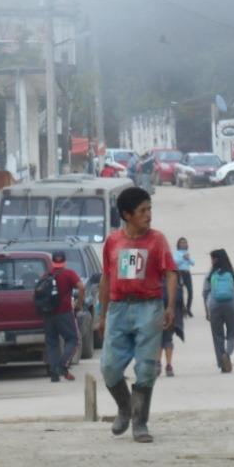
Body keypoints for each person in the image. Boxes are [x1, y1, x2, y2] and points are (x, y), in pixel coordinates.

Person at [97, 187, 177, 443]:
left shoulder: (158, 240)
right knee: (109, 367)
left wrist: (170, 306)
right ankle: (125, 407)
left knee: (146, 368)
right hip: (119, 309)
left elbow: (171, 273)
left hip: (149, 308)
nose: (148, 215)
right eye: (142, 211)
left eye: (150, 209)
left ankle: (140, 423)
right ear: (126, 215)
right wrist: (102, 313)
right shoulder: (113, 241)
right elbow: (106, 278)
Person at [42, 250, 82, 383]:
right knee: (73, 340)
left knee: (52, 343)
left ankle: (54, 373)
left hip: (48, 315)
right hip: (64, 313)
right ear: (65, 261)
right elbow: (81, 287)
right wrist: (79, 304)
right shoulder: (69, 274)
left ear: (52, 261)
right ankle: (62, 365)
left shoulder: (46, 275)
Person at [202, 248, 234, 372]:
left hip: (214, 305)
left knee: (217, 335)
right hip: (230, 304)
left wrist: (207, 311)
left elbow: (205, 292)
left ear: (215, 259)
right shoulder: (232, 272)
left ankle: (221, 363)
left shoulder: (210, 274)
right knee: (233, 333)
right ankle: (227, 354)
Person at [173, 237, 195, 318]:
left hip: (187, 273)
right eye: (182, 242)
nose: (183, 244)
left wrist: (188, 258)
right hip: (180, 273)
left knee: (190, 291)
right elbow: (175, 263)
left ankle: (188, 308)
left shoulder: (187, 252)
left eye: (185, 242)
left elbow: (193, 263)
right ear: (178, 244)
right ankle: (182, 309)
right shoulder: (176, 253)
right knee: (180, 292)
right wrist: (183, 258)